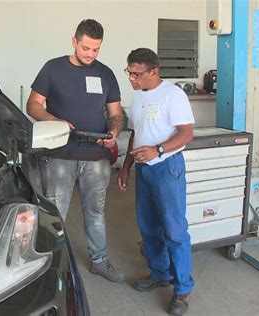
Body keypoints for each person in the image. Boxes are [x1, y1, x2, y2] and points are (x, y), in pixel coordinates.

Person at [26, 19, 125, 283]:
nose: (90, 54)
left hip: (96, 156)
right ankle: (50, 265)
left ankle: (99, 261)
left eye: (96, 50)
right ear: (74, 42)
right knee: (55, 212)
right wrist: (53, 120)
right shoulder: (53, 68)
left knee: (96, 211)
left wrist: (114, 132)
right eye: (85, 48)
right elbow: (33, 104)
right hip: (60, 155)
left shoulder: (106, 74)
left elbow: (116, 113)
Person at [117, 48, 195, 315]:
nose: (132, 79)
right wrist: (126, 166)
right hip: (144, 169)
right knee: (148, 225)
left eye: (137, 74)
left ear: (154, 71)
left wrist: (158, 150)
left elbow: (186, 134)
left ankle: (182, 289)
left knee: (174, 230)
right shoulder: (137, 97)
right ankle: (160, 273)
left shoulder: (174, 95)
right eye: (129, 73)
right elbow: (135, 134)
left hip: (167, 168)